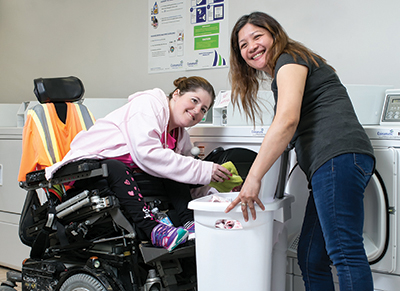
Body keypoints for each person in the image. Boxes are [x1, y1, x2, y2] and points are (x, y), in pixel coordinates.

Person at [225, 12, 375, 291]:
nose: (251, 47)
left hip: (337, 158)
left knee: (344, 252)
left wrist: (253, 179)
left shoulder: (290, 59)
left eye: (257, 36)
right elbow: (282, 133)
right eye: (243, 45)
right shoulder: (284, 73)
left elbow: (286, 122)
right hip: (331, 164)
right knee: (310, 257)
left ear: (274, 35)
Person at [45, 76, 232, 252]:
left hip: (125, 174)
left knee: (173, 169)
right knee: (120, 166)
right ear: (176, 94)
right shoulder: (148, 105)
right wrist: (204, 169)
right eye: (194, 100)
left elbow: (182, 171)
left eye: (204, 109)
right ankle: (152, 230)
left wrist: (218, 194)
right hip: (90, 170)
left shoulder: (180, 135)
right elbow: (147, 154)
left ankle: (189, 223)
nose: (197, 110)